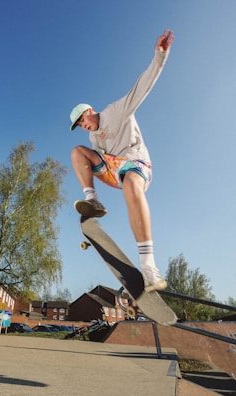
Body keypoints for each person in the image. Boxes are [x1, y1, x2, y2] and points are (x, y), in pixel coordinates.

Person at [70, 29, 174, 293]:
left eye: (84, 120)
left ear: (91, 111)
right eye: (81, 125)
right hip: (113, 169)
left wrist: (159, 56)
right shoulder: (94, 139)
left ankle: (149, 266)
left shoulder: (118, 110)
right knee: (77, 152)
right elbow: (99, 159)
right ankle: (93, 201)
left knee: (130, 185)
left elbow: (143, 85)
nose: (85, 126)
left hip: (137, 165)